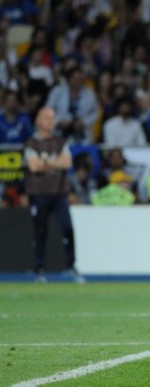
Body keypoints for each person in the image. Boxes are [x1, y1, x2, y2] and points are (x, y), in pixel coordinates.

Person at [23, 107, 84, 283]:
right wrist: (54, 162)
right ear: (39, 121)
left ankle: (70, 266)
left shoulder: (60, 141)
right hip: (39, 192)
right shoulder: (31, 142)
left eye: (53, 118)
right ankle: (39, 269)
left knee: (67, 228)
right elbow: (33, 166)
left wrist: (45, 162)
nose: (52, 122)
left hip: (59, 193)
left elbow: (67, 163)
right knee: (40, 231)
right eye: (48, 118)